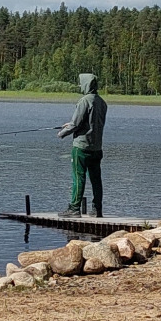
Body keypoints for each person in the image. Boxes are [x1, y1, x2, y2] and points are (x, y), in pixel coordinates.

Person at [55, 73, 107, 216]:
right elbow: (91, 122)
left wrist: (62, 133)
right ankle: (97, 209)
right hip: (97, 148)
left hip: (82, 147)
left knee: (79, 177)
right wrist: (70, 124)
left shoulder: (84, 101)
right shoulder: (102, 102)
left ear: (86, 85)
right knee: (96, 180)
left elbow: (75, 124)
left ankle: (74, 208)